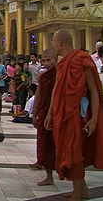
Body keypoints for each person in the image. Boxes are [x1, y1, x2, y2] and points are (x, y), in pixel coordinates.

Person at [45, 29, 103, 200]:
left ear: (59, 42)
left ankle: (77, 193)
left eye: (53, 40)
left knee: (74, 151)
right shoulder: (62, 63)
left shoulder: (81, 59)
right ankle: (83, 189)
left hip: (77, 114)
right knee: (66, 149)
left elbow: (94, 91)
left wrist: (94, 118)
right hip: (62, 113)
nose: (52, 44)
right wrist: (50, 112)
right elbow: (56, 90)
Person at [30, 48, 57, 186]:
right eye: (44, 60)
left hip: (59, 112)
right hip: (45, 111)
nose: (46, 63)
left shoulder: (61, 75)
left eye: (49, 60)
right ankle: (49, 175)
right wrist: (35, 114)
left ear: (56, 59)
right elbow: (39, 95)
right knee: (45, 143)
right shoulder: (43, 76)